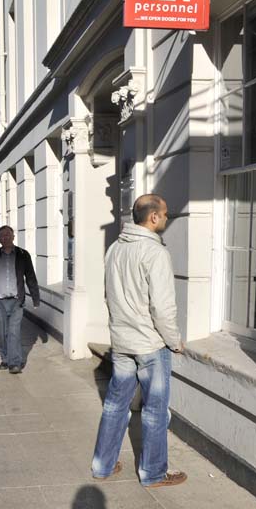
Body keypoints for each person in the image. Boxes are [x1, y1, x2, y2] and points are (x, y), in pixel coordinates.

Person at [90, 194, 186, 488]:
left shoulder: (114, 249)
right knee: (155, 410)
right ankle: (153, 473)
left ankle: (103, 465)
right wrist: (175, 341)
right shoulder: (155, 253)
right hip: (150, 345)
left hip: (121, 342)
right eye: (165, 214)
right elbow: (162, 307)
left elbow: (108, 295)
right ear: (153, 217)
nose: (167, 219)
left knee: (115, 405)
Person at [0, 225, 40, 374]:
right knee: (2, 332)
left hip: (16, 301)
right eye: (2, 236)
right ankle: (5, 359)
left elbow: (30, 277)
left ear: (13, 236)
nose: (5, 238)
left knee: (14, 332)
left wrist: (35, 298)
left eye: (8, 235)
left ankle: (14, 362)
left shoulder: (23, 254)